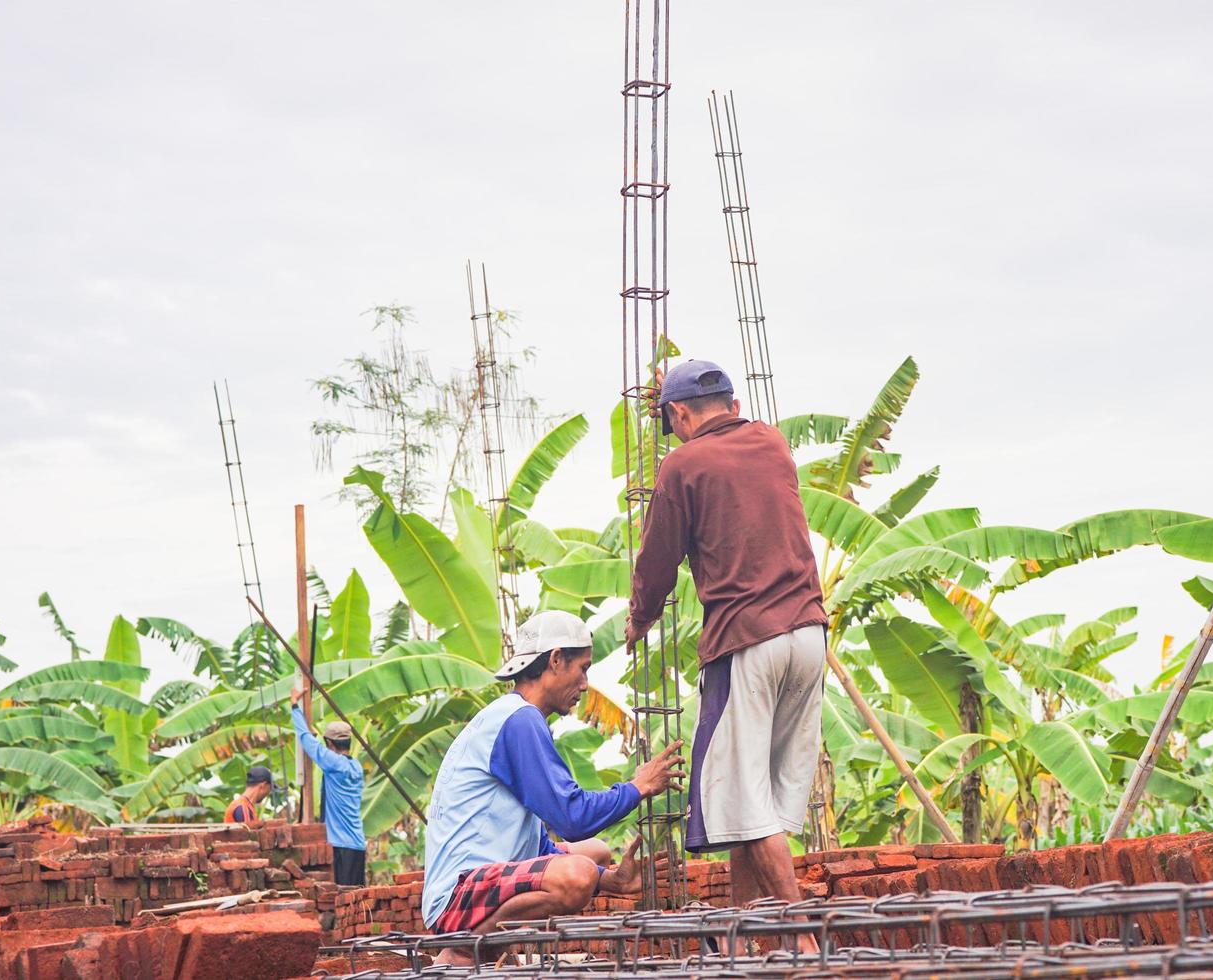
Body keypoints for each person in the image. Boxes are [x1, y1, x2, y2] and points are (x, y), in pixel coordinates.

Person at [626, 359, 828, 918]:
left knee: (742, 800)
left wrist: (640, 616)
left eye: (674, 421)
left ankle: (801, 938)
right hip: (810, 637)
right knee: (760, 801)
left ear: (680, 413)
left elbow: (658, 560)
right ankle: (745, 937)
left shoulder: (681, 465)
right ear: (734, 407)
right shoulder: (773, 443)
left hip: (746, 641)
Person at [422, 610, 684, 957]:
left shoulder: (512, 716)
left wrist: (613, 881)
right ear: (557, 660)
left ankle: (482, 944)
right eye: (584, 668)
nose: (585, 684)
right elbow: (572, 819)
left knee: (598, 854)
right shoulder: (519, 721)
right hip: (458, 895)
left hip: (479, 882)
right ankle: (469, 949)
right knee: (576, 875)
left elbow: (537, 847)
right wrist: (638, 787)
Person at [290, 688, 367, 887]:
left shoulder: (334, 764)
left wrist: (294, 705)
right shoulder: (355, 767)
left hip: (340, 845)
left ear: (330, 743)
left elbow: (306, 740)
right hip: (357, 844)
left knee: (341, 898)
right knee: (355, 899)